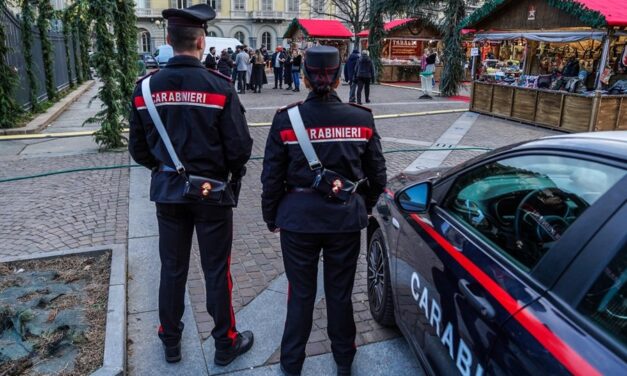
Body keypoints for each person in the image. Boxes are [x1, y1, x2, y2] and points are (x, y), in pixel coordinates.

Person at [128, 3, 254, 366]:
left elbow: (139, 149)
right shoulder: (220, 87)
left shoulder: (145, 89)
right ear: (201, 42)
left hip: (168, 193)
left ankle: (170, 342)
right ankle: (224, 343)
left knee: (172, 268)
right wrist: (220, 172)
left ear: (168, 40)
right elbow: (240, 148)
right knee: (216, 270)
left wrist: (167, 169)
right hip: (212, 193)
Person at [261, 46, 387, 376]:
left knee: (301, 295)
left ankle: (291, 364)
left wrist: (272, 216)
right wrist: (362, 205)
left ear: (303, 76)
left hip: (298, 221)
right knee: (340, 293)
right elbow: (378, 174)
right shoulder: (361, 118)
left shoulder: (286, 119)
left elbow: (271, 176)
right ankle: (343, 359)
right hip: (345, 220)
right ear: (339, 77)